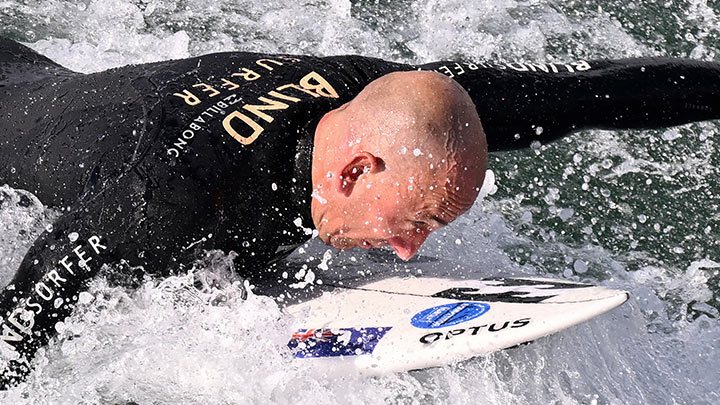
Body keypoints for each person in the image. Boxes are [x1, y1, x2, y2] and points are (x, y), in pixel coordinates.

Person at [0, 35, 719, 387]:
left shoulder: (399, 98)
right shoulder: (173, 196)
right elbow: (23, 316)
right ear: (353, 170)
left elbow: (599, 88)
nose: (408, 254)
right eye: (414, 223)